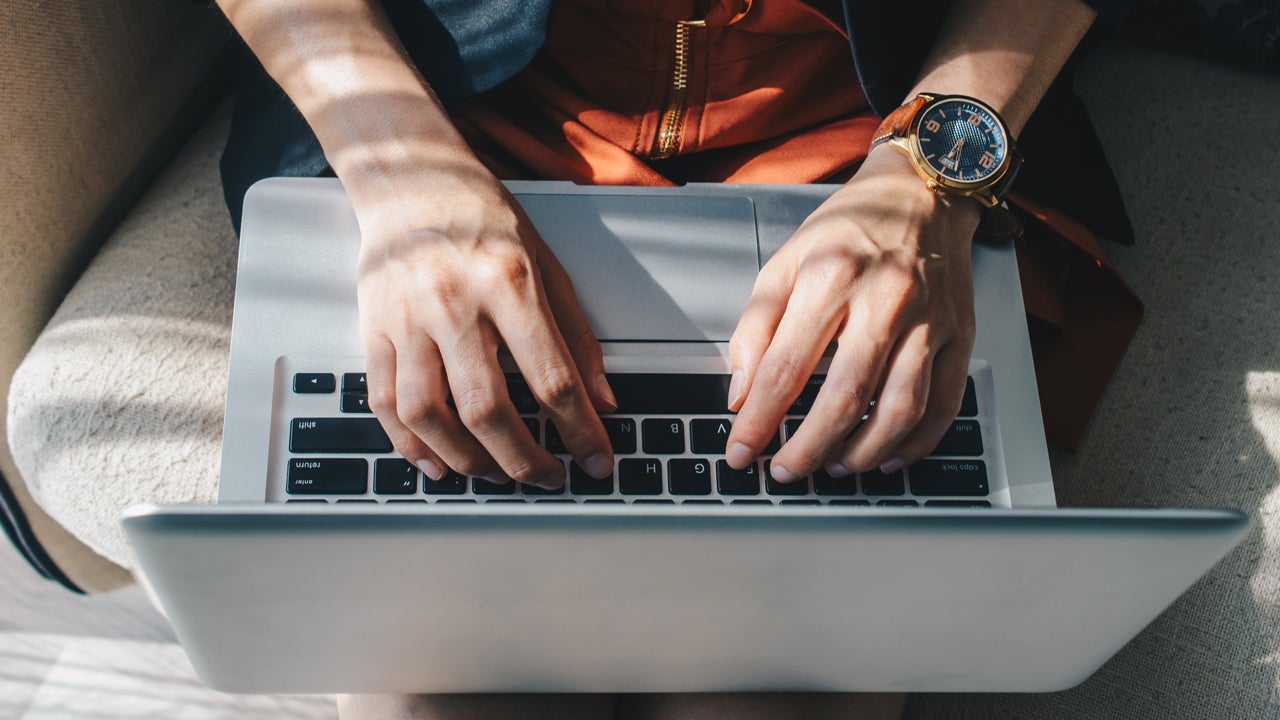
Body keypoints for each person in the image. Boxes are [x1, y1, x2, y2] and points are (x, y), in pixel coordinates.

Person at [213, 0, 1135, 717]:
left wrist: (928, 174)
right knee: (447, 688)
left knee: (771, 698)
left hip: (866, 124)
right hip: (457, 103)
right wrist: (399, 163)